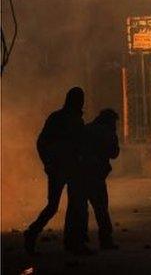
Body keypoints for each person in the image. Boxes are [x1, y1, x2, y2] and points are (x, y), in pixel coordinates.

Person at [24, 87, 91, 255]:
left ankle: (71, 242)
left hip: (66, 169)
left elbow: (44, 143)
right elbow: (43, 142)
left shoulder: (61, 118)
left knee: (69, 206)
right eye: (79, 99)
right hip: (61, 169)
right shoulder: (68, 120)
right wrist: (48, 162)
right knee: (64, 207)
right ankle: (35, 234)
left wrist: (48, 163)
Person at [79, 109, 121, 250]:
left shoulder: (87, 128)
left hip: (81, 174)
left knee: (81, 209)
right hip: (95, 175)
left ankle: (80, 240)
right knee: (101, 209)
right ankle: (105, 240)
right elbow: (114, 153)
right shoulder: (107, 132)